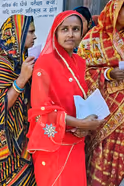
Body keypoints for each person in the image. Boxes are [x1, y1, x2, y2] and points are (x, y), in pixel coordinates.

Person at [27, 11, 104, 186]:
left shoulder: (80, 62)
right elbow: (41, 109)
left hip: (76, 140)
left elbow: (81, 98)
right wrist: (81, 123)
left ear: (82, 33)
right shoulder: (45, 63)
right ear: (56, 32)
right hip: (53, 143)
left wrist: (84, 124)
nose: (70, 34)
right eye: (65, 29)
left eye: (75, 29)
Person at [77, 0, 124, 186]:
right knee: (101, 159)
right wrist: (107, 75)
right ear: (114, 10)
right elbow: (81, 72)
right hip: (104, 113)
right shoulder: (93, 39)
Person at [0, 15, 37, 186]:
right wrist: (21, 80)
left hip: (25, 137)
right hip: (7, 141)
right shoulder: (1, 64)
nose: (35, 37)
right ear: (16, 35)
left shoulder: (23, 61)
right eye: (30, 32)